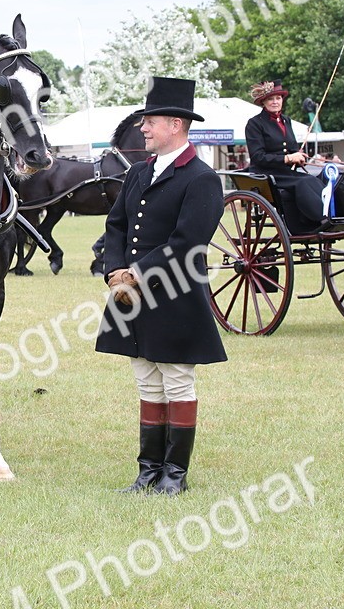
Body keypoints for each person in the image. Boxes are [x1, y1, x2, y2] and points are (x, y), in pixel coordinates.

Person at [97, 77, 227, 496]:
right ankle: (148, 470)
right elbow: (116, 224)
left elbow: (188, 241)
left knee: (176, 381)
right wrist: (115, 269)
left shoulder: (202, 178)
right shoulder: (138, 172)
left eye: (150, 122)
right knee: (147, 381)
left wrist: (136, 272)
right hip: (131, 295)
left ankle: (175, 474)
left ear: (176, 124)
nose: (144, 129)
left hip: (174, 295)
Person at [244, 80, 327, 229]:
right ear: (263, 102)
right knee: (303, 183)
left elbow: (292, 148)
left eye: (278, 98)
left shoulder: (286, 120)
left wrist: (299, 156)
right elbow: (258, 157)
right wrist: (288, 158)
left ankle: (327, 215)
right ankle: (320, 219)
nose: (275, 102)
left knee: (314, 179)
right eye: (271, 99)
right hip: (266, 174)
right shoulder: (255, 124)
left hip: (285, 172)